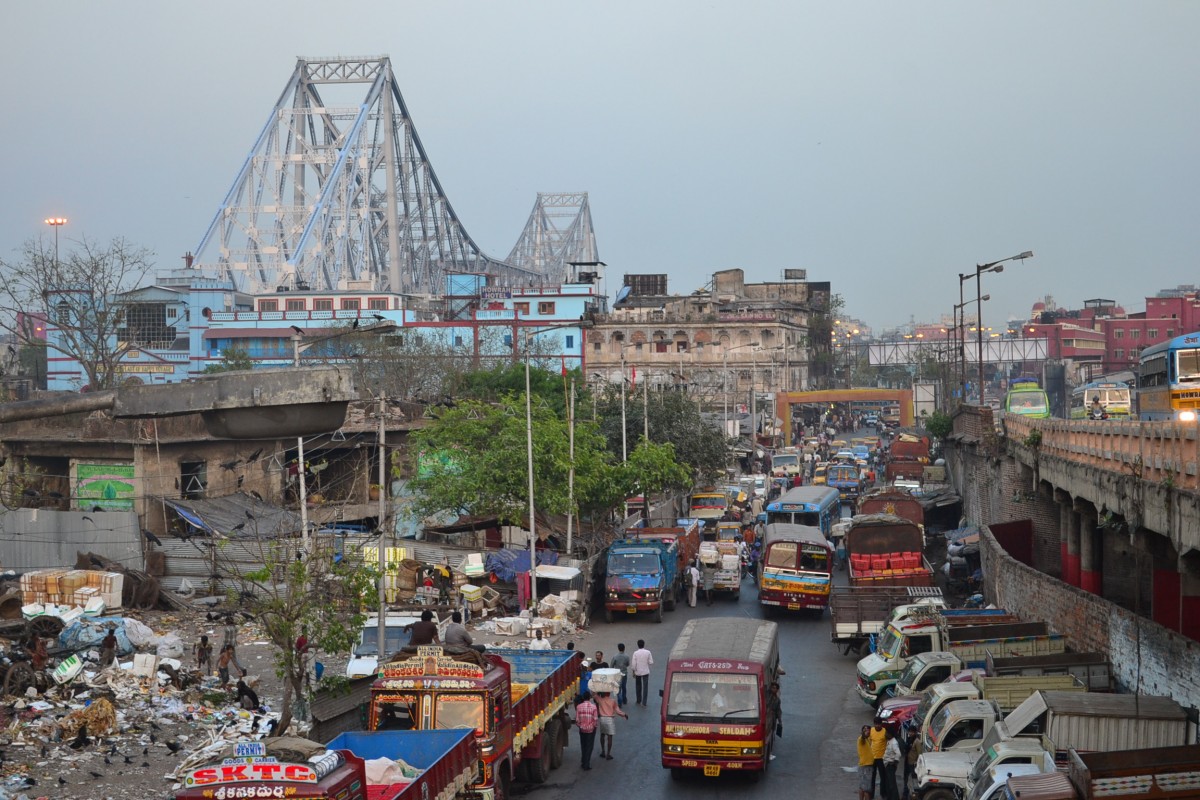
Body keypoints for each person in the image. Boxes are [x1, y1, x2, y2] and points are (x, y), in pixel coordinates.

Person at [595, 690, 627, 760]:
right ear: (609, 693)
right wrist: (624, 714)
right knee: (610, 737)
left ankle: (603, 751)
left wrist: (598, 691)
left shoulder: (600, 700)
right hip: (610, 720)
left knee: (602, 735)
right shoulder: (612, 701)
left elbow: (594, 695)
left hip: (602, 719)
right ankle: (608, 754)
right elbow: (617, 710)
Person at [574, 690, 598, 770]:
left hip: (582, 730)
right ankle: (586, 764)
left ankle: (583, 761)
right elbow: (595, 720)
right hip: (591, 730)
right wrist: (593, 727)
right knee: (589, 746)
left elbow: (577, 720)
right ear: (590, 698)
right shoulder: (594, 707)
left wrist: (580, 726)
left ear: (583, 698)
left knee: (583, 746)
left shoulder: (579, 707)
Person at [869, 718, 889, 797]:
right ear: (874, 724)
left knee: (883, 777)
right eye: (876, 724)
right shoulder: (871, 730)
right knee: (872, 777)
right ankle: (871, 794)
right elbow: (869, 742)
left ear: (881, 724)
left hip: (881, 758)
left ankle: (883, 793)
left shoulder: (885, 731)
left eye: (879, 724)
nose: (877, 726)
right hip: (872, 758)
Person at [631, 640, 653, 706]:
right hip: (645, 671)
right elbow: (651, 662)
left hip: (638, 672)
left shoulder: (635, 653)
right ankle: (644, 702)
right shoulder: (648, 652)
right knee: (645, 687)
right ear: (644, 644)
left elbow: (633, 664)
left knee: (638, 686)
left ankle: (638, 700)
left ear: (638, 645)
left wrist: (633, 671)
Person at [857, 725, 876, 800]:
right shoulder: (861, 740)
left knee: (862, 787)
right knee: (867, 790)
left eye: (868, 730)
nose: (867, 732)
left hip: (864, 765)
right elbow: (862, 737)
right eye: (865, 730)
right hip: (866, 767)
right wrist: (864, 734)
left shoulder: (868, 740)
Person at [882, 729, 901, 800]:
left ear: (890, 734)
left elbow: (898, 754)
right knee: (889, 783)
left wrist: (894, 762)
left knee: (892, 784)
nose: (885, 734)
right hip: (887, 764)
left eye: (887, 733)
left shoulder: (894, 742)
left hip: (890, 765)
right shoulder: (889, 741)